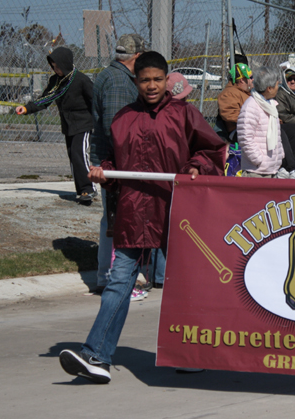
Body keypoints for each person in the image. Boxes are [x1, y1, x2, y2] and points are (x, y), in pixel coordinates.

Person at [58, 51, 226, 383]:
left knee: (185, 284)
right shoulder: (123, 118)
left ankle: (191, 353)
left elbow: (213, 149)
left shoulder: (185, 114)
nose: (151, 86)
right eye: (145, 80)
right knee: (118, 282)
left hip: (177, 212)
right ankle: (97, 356)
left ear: (167, 80)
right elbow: (111, 159)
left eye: (157, 79)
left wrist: (196, 166)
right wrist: (103, 172)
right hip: (134, 212)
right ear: (135, 81)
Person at [90, 33, 146, 296]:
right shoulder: (118, 82)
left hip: (111, 162)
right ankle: (114, 278)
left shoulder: (110, 75)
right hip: (117, 163)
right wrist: (125, 163)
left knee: (112, 220)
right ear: (137, 56)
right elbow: (116, 127)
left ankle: (107, 276)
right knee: (119, 221)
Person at [16, 47, 96, 204]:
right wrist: (26, 109)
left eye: (58, 66)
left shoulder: (81, 80)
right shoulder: (55, 81)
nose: (55, 69)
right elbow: (45, 100)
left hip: (83, 124)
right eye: (53, 66)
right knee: (73, 156)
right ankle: (81, 190)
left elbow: (96, 100)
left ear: (65, 64)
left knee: (79, 153)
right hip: (68, 125)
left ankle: (89, 188)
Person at [236, 66, 285, 178]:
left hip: (271, 169)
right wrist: (258, 160)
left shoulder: (271, 105)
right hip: (256, 171)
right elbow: (245, 138)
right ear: (269, 88)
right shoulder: (251, 106)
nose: (278, 87)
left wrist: (280, 155)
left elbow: (277, 135)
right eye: (277, 84)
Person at [216, 61, 254, 143]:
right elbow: (230, 115)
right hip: (239, 131)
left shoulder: (246, 92)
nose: (253, 80)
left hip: (252, 128)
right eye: (251, 77)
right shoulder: (228, 94)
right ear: (242, 80)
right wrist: (254, 120)